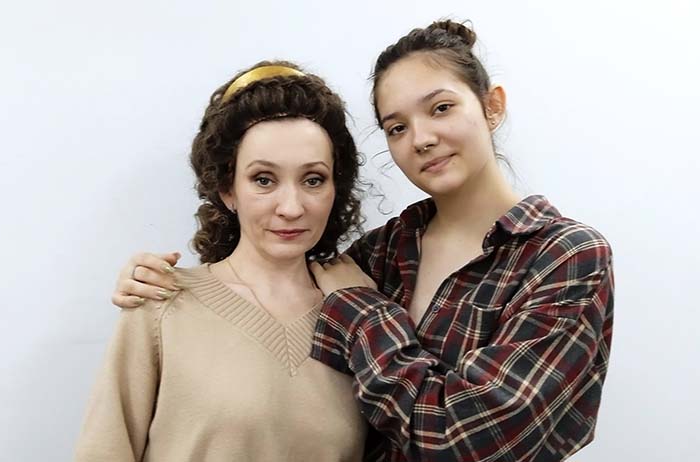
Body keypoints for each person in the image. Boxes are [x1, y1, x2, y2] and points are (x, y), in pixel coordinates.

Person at [113, 20, 614, 462]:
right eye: (396, 127)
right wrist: (157, 286)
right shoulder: (381, 253)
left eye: (441, 108)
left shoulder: (565, 257)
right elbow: (263, 311)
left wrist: (362, 308)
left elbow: (467, 441)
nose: (421, 138)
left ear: (492, 106)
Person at [76, 61, 368, 462]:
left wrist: (364, 308)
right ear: (228, 189)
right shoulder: (161, 303)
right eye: (263, 179)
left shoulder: (359, 313)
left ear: (336, 188)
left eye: (313, 179)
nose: (291, 207)